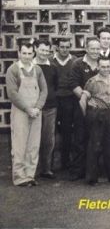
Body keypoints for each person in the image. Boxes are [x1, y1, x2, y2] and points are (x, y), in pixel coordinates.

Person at [6, 42, 48, 186]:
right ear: (18, 53)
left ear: (33, 54)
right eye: (24, 53)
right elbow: (12, 93)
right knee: (19, 145)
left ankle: (30, 175)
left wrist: (37, 107)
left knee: (33, 144)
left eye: (30, 54)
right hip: (20, 111)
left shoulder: (37, 70)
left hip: (36, 112)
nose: (27, 56)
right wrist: (27, 109)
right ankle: (19, 177)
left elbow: (44, 90)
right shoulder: (13, 70)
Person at [81, 57, 110, 185]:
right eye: (102, 67)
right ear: (98, 67)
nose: (105, 69)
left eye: (107, 66)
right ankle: (92, 178)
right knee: (95, 145)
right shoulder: (92, 81)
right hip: (96, 113)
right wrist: (87, 116)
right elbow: (82, 100)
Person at [68, 38, 101, 181]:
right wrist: (86, 100)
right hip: (82, 106)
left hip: (99, 108)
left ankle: (94, 170)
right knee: (80, 139)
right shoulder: (77, 64)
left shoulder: (103, 64)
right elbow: (74, 85)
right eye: (92, 48)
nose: (95, 51)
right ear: (86, 48)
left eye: (97, 48)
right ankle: (77, 170)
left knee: (96, 139)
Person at [33, 39, 58, 179]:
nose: (44, 53)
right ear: (36, 49)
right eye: (41, 50)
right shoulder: (30, 66)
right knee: (33, 139)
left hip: (50, 108)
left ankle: (47, 169)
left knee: (48, 139)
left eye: (47, 51)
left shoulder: (53, 67)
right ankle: (33, 169)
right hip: (33, 108)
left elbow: (55, 85)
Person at [51, 38, 77, 170]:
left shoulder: (75, 61)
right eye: (62, 47)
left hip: (69, 99)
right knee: (51, 131)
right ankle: (49, 164)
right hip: (54, 99)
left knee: (67, 131)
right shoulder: (50, 60)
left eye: (67, 47)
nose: (65, 49)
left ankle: (65, 162)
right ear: (57, 47)